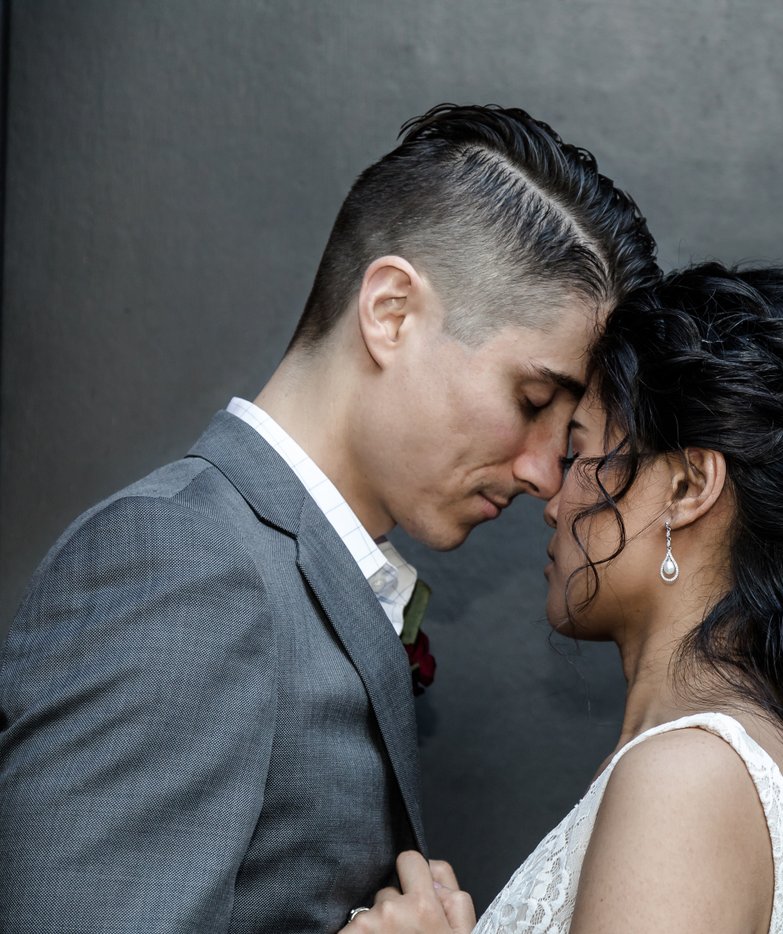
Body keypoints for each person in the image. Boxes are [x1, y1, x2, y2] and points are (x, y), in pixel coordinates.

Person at [0, 103, 657, 933]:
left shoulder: (274, 569)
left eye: (564, 436)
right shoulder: (179, 565)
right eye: (530, 400)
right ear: (389, 312)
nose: (541, 473)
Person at [347, 263, 783, 933]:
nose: (551, 497)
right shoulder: (705, 765)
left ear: (689, 487)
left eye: (579, 453)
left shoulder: (686, 780)